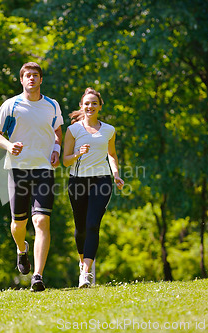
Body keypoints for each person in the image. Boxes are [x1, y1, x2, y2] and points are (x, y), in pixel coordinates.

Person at [0, 62, 63, 291]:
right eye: (27, 75)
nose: (31, 78)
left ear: (41, 79)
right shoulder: (10, 105)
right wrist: (9, 146)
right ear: (21, 80)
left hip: (44, 169)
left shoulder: (52, 105)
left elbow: (58, 132)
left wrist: (56, 150)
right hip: (18, 169)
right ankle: (22, 249)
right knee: (17, 224)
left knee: (41, 220)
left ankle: (38, 276)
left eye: (35, 75)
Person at [63, 87, 124, 288]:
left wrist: (115, 174)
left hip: (102, 181)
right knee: (80, 228)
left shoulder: (109, 130)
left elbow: (112, 154)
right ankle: (82, 262)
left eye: (94, 103)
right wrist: (78, 154)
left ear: (99, 106)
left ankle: (86, 273)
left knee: (92, 225)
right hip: (78, 182)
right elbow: (65, 161)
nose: (90, 106)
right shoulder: (73, 130)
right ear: (82, 106)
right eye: (87, 103)